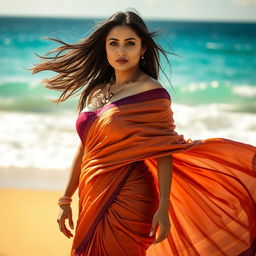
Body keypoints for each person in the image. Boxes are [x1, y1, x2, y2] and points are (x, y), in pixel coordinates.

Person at [29, 8, 256, 256]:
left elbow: (164, 150)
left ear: (143, 48)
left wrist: (164, 206)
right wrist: (65, 199)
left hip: (131, 193)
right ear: (104, 49)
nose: (121, 51)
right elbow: (85, 147)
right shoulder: (97, 91)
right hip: (93, 190)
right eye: (113, 43)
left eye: (130, 43)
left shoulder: (152, 92)